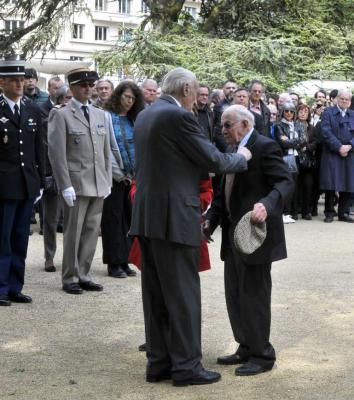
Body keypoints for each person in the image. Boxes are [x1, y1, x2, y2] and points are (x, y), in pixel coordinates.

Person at [129, 67, 251, 386]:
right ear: (185, 88)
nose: (197, 102)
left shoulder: (146, 114)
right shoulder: (178, 117)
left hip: (147, 215)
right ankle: (186, 367)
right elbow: (211, 159)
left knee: (155, 293)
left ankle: (159, 363)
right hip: (174, 216)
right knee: (183, 294)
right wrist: (242, 157)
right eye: (195, 94)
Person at [203, 105, 293, 376]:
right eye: (222, 125)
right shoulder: (231, 149)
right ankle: (245, 346)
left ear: (243, 124)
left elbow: (285, 182)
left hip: (256, 235)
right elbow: (222, 193)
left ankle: (262, 355)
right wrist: (211, 220)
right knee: (235, 293)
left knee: (254, 294)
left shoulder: (266, 146)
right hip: (233, 235)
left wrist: (267, 204)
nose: (223, 130)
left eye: (227, 125)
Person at [48, 68, 112, 295]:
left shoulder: (100, 114)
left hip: (97, 183)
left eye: (91, 84)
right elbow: (57, 154)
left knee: (91, 232)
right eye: (83, 84)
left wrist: (107, 180)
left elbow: (105, 152)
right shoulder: (61, 114)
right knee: (73, 233)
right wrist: (64, 184)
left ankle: (84, 274)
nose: (88, 88)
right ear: (72, 87)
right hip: (75, 183)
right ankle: (70, 277)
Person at [0, 56, 45, 306]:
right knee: (3, 239)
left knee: (20, 238)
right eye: (14, 81)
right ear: (1, 83)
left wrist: (41, 179)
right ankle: (1, 287)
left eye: (22, 80)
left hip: (27, 184)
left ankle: (15, 287)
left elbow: (39, 148)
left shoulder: (32, 109)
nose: (20, 84)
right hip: (4, 185)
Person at [101, 81, 145, 278]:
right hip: (114, 177)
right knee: (112, 220)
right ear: (118, 96)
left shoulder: (135, 119)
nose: (129, 101)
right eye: (127, 96)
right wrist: (119, 174)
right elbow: (106, 150)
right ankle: (113, 262)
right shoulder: (106, 117)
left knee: (128, 220)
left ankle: (125, 260)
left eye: (133, 98)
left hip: (133, 177)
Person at [320, 89, 354, 223]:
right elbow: (326, 132)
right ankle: (329, 212)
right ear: (337, 99)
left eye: (347, 99)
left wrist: (349, 146)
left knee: (348, 182)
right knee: (331, 183)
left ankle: (343, 213)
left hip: (349, 153)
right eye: (342, 98)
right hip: (333, 152)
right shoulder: (328, 113)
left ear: (350, 102)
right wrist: (339, 147)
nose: (344, 101)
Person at [40, 84, 70, 272]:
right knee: (50, 220)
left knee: (71, 221)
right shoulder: (49, 119)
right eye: (66, 98)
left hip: (74, 176)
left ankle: (70, 256)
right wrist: (48, 175)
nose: (69, 102)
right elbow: (45, 149)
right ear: (59, 100)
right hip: (53, 176)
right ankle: (49, 257)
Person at [274, 102, 306, 223]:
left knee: (294, 185)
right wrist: (296, 141)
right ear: (283, 112)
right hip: (285, 157)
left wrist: (293, 141)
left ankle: (291, 212)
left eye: (291, 111)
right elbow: (283, 143)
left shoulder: (298, 125)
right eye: (286, 111)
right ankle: (283, 212)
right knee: (285, 184)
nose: (289, 113)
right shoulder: (279, 125)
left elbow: (304, 140)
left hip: (296, 158)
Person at [296, 104, 317, 220]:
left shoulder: (312, 128)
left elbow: (316, 143)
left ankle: (306, 211)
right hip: (295, 159)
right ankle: (295, 210)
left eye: (305, 111)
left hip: (308, 162)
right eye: (300, 111)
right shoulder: (292, 126)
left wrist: (307, 147)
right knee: (295, 186)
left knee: (308, 186)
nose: (303, 113)